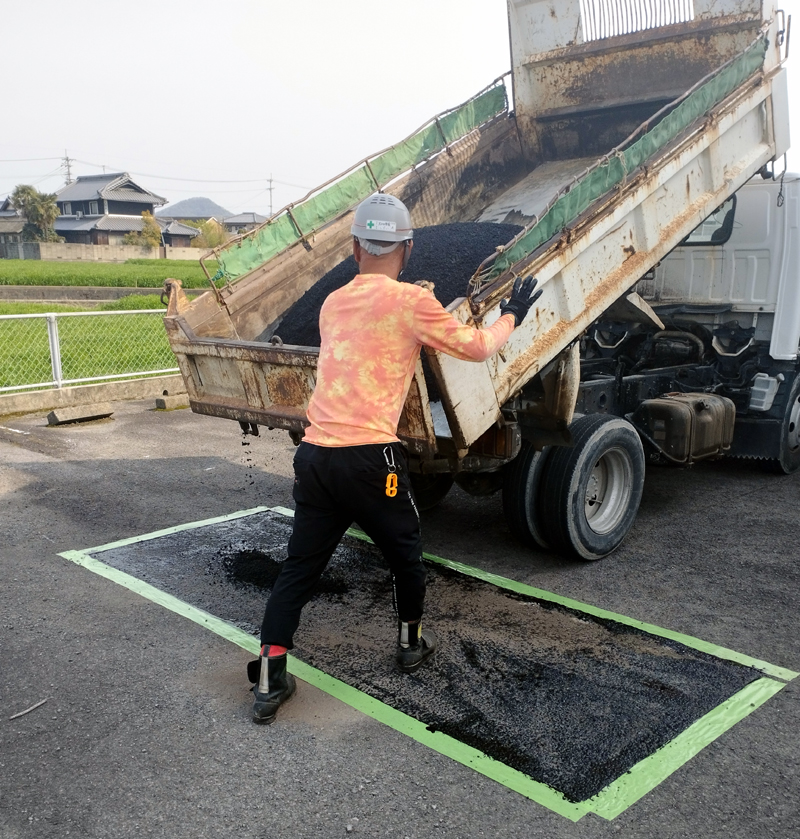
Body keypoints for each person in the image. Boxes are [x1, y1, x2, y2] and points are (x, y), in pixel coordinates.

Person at [250, 193, 541, 724]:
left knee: (299, 567)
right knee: (404, 551)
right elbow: (475, 348)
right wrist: (514, 314)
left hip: (316, 457)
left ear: (355, 247)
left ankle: (271, 676)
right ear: (406, 249)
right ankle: (411, 643)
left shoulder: (332, 304)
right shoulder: (412, 303)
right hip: (371, 464)